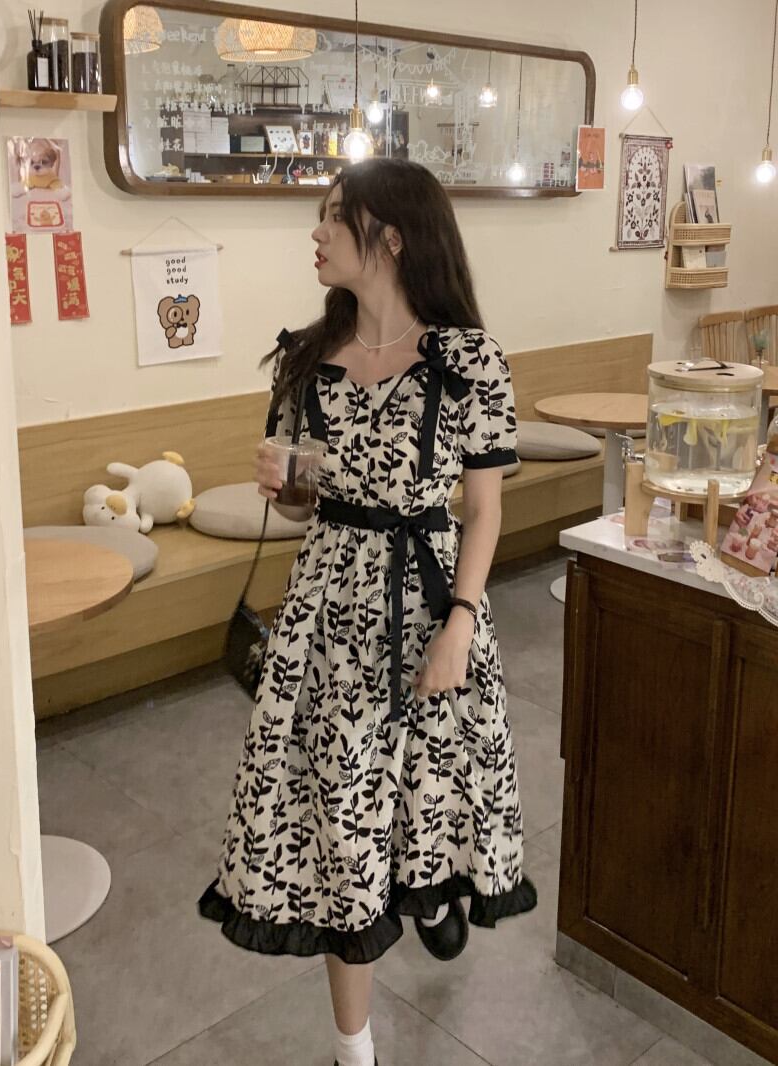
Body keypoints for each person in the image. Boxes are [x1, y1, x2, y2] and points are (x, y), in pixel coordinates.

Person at [199, 157, 536, 1066]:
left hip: (431, 604)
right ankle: (356, 1048)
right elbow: (304, 503)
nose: (315, 233)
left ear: (389, 236)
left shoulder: (468, 362)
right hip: (328, 617)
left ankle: (431, 889)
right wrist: (285, 485)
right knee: (339, 823)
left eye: (333, 215)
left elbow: (484, 509)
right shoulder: (307, 360)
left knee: (431, 788)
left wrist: (460, 622)